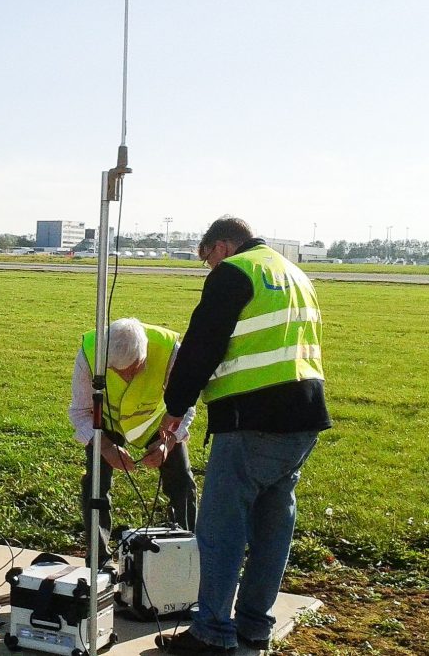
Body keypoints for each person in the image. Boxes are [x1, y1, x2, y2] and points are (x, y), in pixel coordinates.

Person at [156, 217, 331, 655]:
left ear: (223, 245)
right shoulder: (293, 273)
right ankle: (255, 624)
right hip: (304, 416)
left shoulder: (236, 273)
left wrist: (175, 408)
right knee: (274, 524)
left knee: (220, 528)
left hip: (252, 419)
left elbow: (201, 345)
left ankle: (212, 631)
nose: (209, 269)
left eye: (208, 259)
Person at [69, 317, 197, 567]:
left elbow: (186, 405)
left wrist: (167, 441)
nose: (127, 376)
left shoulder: (170, 351)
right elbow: (80, 411)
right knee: (95, 485)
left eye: (135, 368)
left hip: (159, 421)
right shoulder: (90, 352)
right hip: (106, 423)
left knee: (182, 482)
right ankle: (98, 560)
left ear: (145, 352)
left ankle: (186, 554)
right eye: (118, 371)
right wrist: (105, 446)